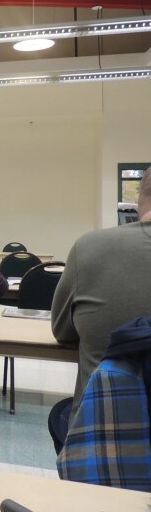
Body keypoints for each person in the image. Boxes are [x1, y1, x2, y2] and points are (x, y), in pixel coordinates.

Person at [51, 166, 151, 426]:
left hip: (102, 437)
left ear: (140, 198)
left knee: (58, 417)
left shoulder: (88, 247)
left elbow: (62, 332)